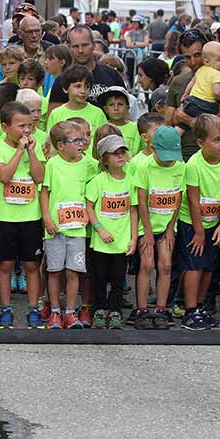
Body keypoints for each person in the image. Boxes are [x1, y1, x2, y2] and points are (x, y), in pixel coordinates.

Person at [177, 114, 220, 331]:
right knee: (195, 266)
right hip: (192, 222)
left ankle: (200, 307)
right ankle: (189, 311)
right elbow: (192, 200)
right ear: (201, 143)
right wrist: (199, 232)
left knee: (209, 267)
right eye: (216, 140)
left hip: (215, 221)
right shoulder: (194, 165)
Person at [0, 101, 46, 329]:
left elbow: (39, 176)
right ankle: (5, 309)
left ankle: (33, 309)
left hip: (30, 216)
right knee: (5, 264)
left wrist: (31, 152)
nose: (26, 131)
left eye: (29, 126)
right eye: (21, 126)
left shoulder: (35, 146)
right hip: (5, 217)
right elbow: (4, 176)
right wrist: (19, 152)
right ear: (5, 127)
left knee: (31, 265)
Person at [40, 119, 97, 329]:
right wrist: (47, 216)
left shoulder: (89, 165)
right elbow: (44, 191)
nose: (81, 144)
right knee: (54, 270)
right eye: (75, 140)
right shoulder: (53, 164)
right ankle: (55, 311)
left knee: (74, 271)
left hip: (78, 229)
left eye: (82, 139)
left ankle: (71, 312)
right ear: (60, 145)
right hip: (55, 228)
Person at [132, 125, 184, 329]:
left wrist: (171, 228)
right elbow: (142, 201)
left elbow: (179, 196)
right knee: (146, 264)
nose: (169, 159)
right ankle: (142, 309)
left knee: (165, 265)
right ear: (153, 148)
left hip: (167, 224)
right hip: (147, 224)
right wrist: (147, 232)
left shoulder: (180, 166)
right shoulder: (144, 166)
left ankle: (162, 308)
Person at [84, 134, 137, 329]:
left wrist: (133, 239)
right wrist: (99, 229)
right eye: (115, 153)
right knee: (99, 278)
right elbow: (89, 207)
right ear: (104, 159)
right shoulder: (98, 181)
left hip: (121, 243)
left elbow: (133, 210)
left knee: (118, 279)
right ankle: (98, 309)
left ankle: (115, 311)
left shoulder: (131, 180)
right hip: (101, 242)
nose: (120, 156)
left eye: (122, 152)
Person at [45, 25, 124, 116]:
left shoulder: (112, 75)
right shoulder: (62, 79)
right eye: (75, 46)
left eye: (85, 45)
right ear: (68, 46)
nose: (80, 50)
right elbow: (53, 118)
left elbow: (125, 115)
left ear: (93, 45)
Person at [177, 41, 220, 129]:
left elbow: (192, 82)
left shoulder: (200, 70)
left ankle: (177, 135)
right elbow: (217, 92)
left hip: (191, 102)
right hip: (206, 105)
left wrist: (186, 93)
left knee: (181, 126)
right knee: (209, 121)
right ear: (206, 61)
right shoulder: (216, 73)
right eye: (219, 60)